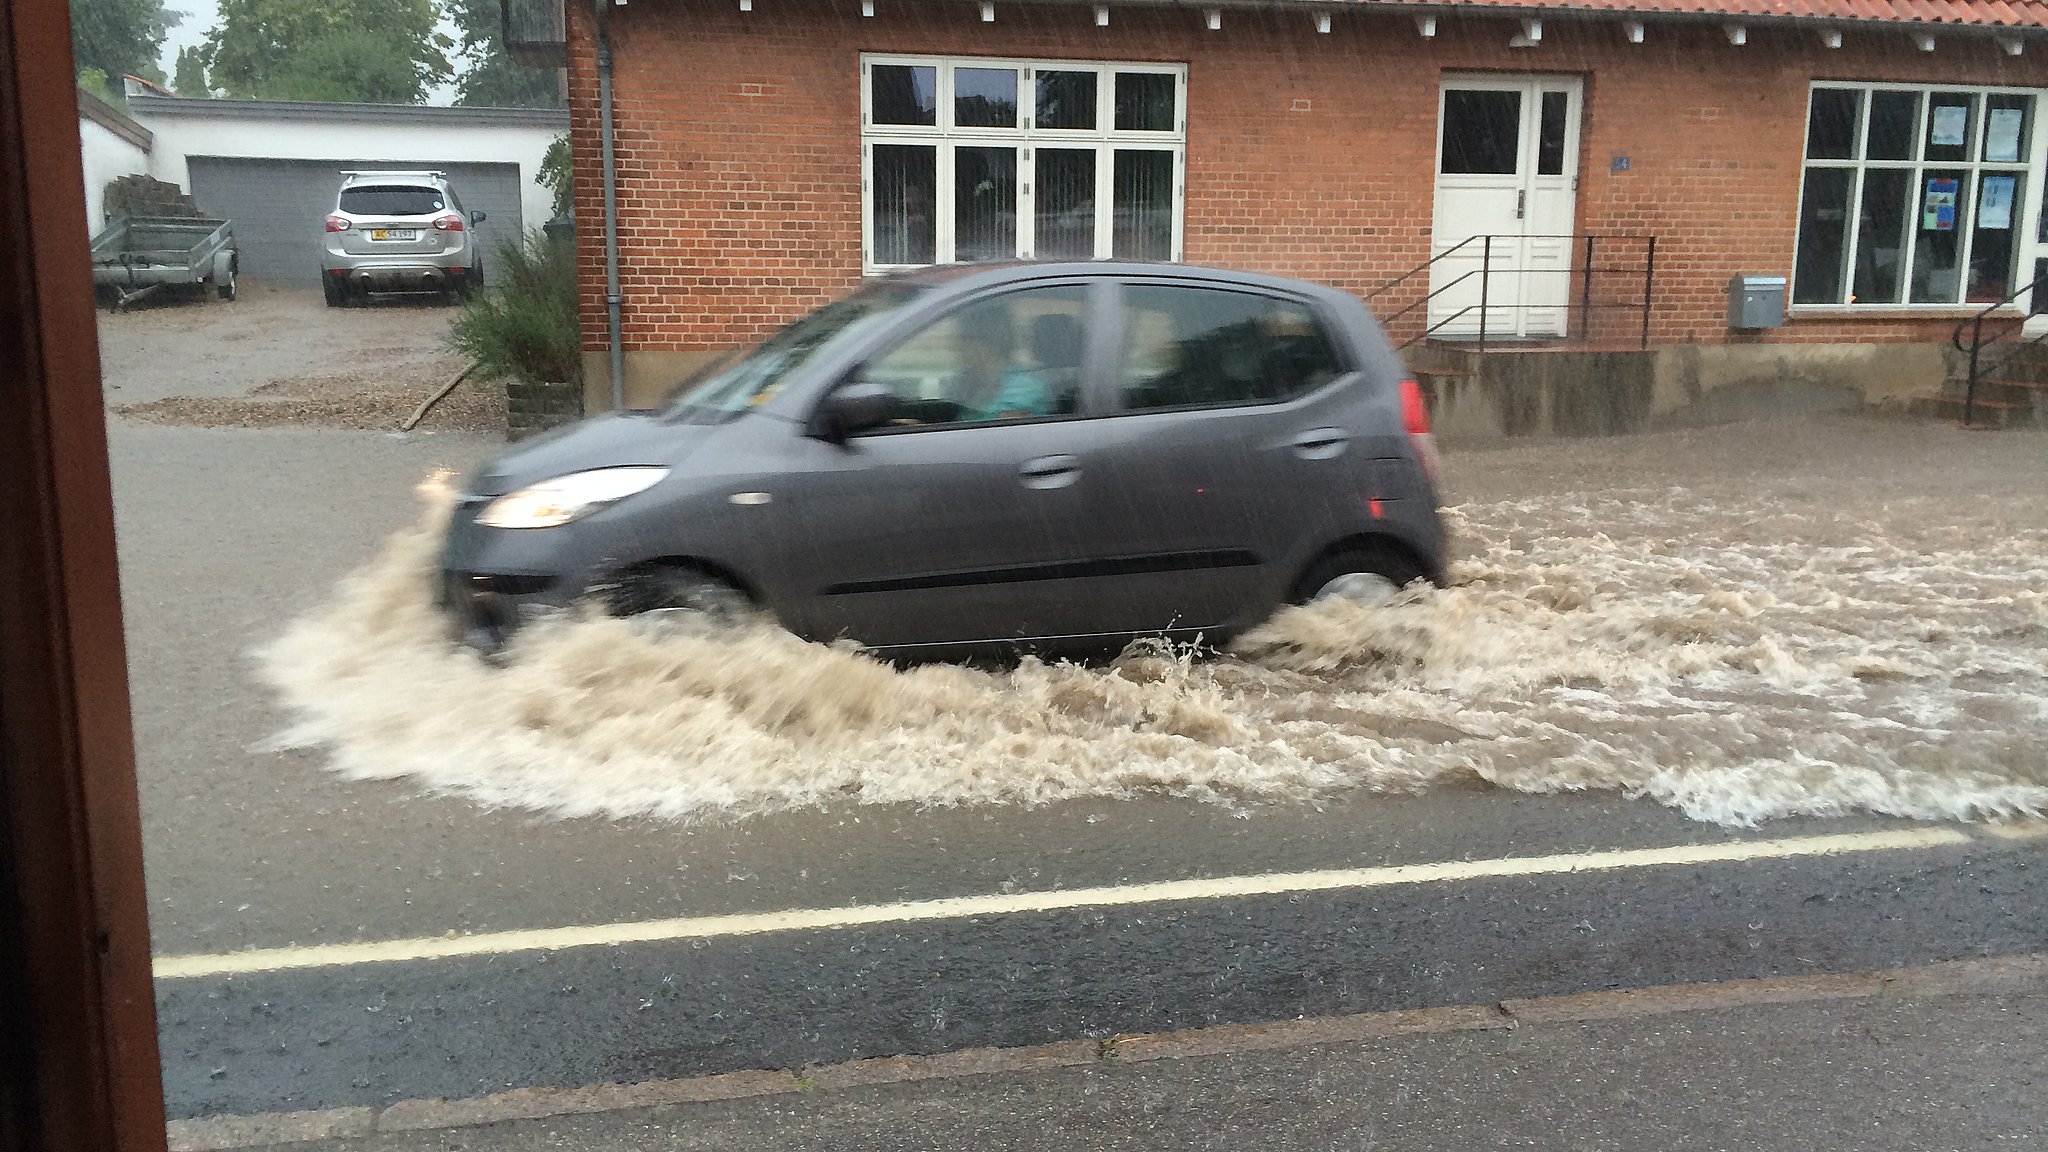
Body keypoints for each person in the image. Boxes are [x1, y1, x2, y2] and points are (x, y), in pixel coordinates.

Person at [955, 305, 1054, 421]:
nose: (960, 347)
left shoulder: (1023, 390)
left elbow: (995, 435)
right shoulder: (977, 385)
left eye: (966, 339)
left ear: (991, 344)